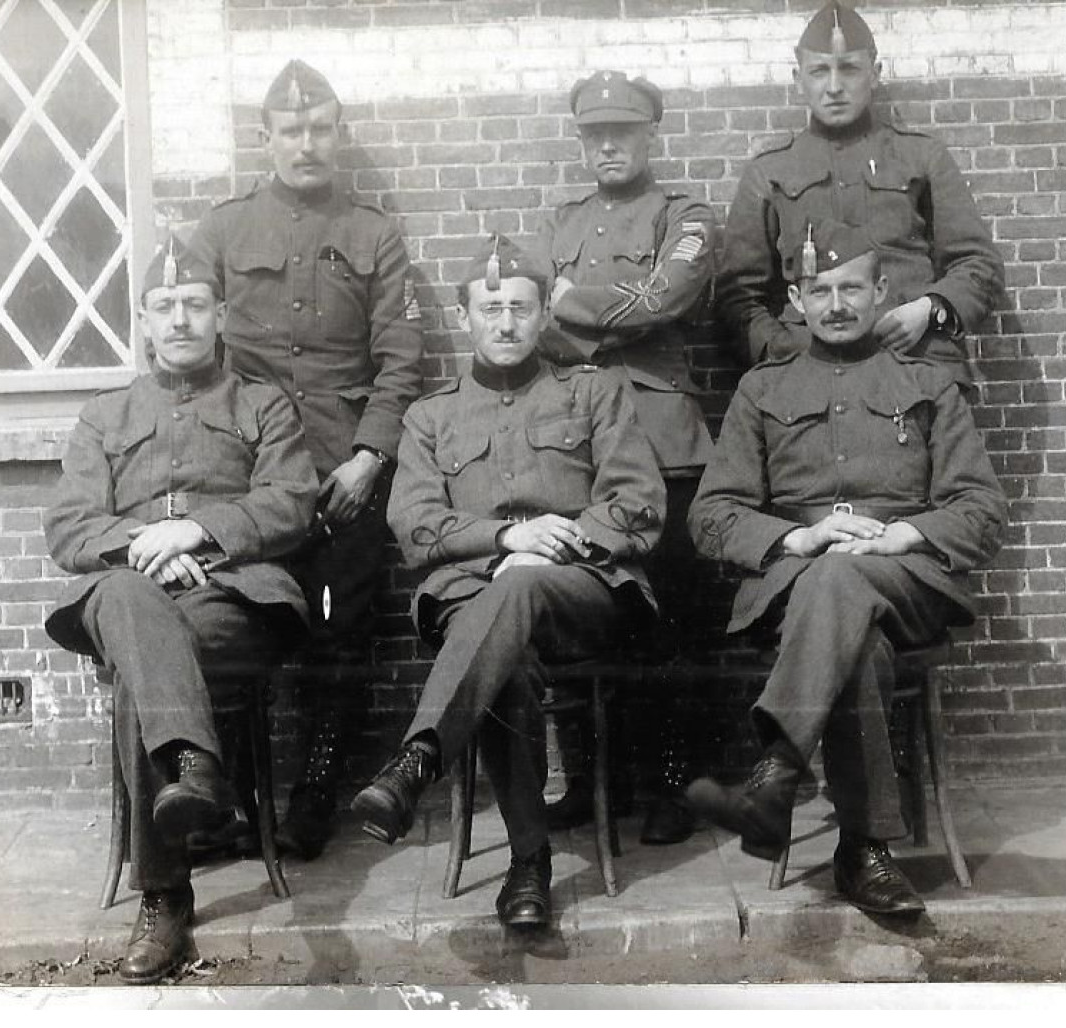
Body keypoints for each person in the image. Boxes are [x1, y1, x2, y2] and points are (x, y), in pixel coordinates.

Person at [685, 220, 1006, 915]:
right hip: (796, 588)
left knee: (846, 582)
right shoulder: (761, 389)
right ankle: (863, 852)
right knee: (849, 623)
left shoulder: (925, 381)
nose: (834, 304)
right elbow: (711, 516)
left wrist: (903, 535)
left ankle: (775, 776)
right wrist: (798, 540)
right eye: (817, 290)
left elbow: (982, 509)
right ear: (794, 301)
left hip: (906, 581)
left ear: (881, 291)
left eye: (850, 288)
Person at [350, 235, 666, 929]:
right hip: (472, 593)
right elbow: (414, 524)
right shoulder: (428, 417)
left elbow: (636, 502)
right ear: (465, 318)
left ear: (542, 313)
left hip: (582, 590)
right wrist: (503, 541)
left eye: (520, 308)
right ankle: (530, 866)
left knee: (517, 593)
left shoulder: (592, 392)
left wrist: (552, 545)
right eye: (489, 309)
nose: (505, 323)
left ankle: (417, 758)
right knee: (507, 663)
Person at [42, 236, 316, 983]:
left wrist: (197, 531)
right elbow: (68, 527)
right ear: (141, 321)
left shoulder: (263, 405)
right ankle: (192, 771)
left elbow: (292, 502)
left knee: (143, 667)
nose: (181, 320)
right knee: (132, 603)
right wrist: (144, 543)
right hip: (129, 588)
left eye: (195, 305)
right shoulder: (104, 415)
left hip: (230, 596)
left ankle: (164, 897)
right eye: (164, 307)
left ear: (221, 315)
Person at [189, 59, 424, 861]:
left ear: (339, 134)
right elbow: (192, 353)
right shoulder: (220, 232)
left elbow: (400, 356)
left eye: (321, 128)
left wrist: (369, 457)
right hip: (245, 472)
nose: (307, 143)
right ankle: (223, 799)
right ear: (266, 139)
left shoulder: (372, 234)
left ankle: (315, 792)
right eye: (291, 130)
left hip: (337, 476)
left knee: (338, 635)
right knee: (226, 624)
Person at [536, 70, 719, 846]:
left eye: (624, 131)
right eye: (593, 134)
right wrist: (609, 313)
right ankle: (586, 781)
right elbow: (542, 332)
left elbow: (664, 301)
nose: (608, 144)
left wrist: (573, 303)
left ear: (651, 136)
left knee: (671, 626)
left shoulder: (687, 216)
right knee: (586, 615)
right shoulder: (562, 223)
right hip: (585, 451)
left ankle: (674, 786)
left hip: (664, 442)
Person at [715, 0, 1003, 386]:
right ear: (798, 78)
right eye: (819, 71)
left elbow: (978, 264)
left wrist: (929, 309)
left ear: (875, 74)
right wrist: (785, 355)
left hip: (916, 364)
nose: (834, 87)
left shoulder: (921, 157)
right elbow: (738, 296)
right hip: (810, 380)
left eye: (849, 68)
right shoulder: (769, 174)